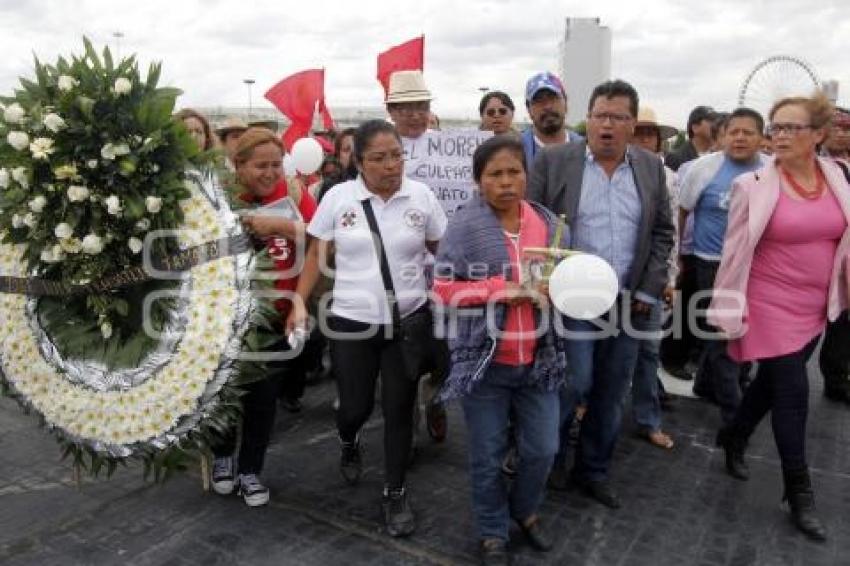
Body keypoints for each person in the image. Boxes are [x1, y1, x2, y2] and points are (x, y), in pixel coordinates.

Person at [288, 120, 447, 537]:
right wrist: (299, 302)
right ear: (358, 161)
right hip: (351, 325)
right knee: (354, 408)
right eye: (378, 158)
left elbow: (442, 251)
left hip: (406, 324)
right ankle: (348, 439)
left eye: (396, 155)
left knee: (398, 410)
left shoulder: (422, 196)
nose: (391, 165)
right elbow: (314, 256)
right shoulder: (339, 199)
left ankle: (395, 492)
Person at [527, 79, 675, 508]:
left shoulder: (650, 168)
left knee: (611, 392)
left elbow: (663, 232)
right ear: (587, 118)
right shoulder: (554, 163)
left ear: (632, 124)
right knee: (574, 383)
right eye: (600, 115)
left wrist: (648, 289)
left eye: (619, 117)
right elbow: (532, 226)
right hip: (570, 302)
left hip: (629, 302)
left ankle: (593, 470)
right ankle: (549, 459)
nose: (607, 125)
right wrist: (545, 284)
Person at [710, 93, 850, 541]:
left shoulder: (840, 178)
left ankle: (734, 434)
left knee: (771, 384)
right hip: (767, 302)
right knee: (793, 390)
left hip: (817, 305)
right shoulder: (751, 185)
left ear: (819, 135)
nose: (781, 134)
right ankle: (799, 491)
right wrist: (725, 310)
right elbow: (732, 254)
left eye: (793, 127)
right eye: (777, 126)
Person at [433, 135, 568, 564]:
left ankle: (525, 511)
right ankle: (493, 530)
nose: (507, 182)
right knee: (488, 456)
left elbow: (567, 280)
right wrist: (499, 290)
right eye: (495, 174)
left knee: (543, 448)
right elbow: (442, 290)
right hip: (486, 366)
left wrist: (559, 287)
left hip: (539, 362)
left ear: (526, 176)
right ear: (479, 181)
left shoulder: (548, 223)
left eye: (514, 172)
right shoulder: (464, 226)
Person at [209, 127, 316, 507]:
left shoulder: (293, 194)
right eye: (260, 166)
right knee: (222, 393)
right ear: (238, 165)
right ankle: (222, 457)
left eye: (276, 164)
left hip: (276, 319)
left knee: (263, 399)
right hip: (225, 322)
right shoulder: (218, 197)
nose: (270, 173)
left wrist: (300, 302)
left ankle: (250, 469)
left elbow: (320, 240)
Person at [678, 108, 765, 424]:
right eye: (733, 132)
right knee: (720, 334)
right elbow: (683, 211)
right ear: (723, 136)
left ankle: (704, 384)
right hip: (710, 264)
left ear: (761, 138)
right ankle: (734, 413)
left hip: (753, 266)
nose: (740, 138)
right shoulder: (703, 169)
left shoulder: (772, 171)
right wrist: (677, 257)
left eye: (748, 132)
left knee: (741, 329)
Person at [384, 69, 450, 443]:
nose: (414, 113)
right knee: (401, 361)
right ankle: (405, 423)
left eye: (420, 105)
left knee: (445, 351)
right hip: (400, 276)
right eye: (405, 107)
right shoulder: (376, 149)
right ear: (391, 110)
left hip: (445, 271)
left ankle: (436, 397)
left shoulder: (450, 149)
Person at [629, 105, 678, 449]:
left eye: (650, 132)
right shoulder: (611, 168)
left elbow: (670, 230)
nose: (644, 138)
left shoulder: (668, 177)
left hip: (652, 277)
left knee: (648, 350)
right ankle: (587, 406)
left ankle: (648, 419)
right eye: (639, 131)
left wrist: (668, 278)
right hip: (614, 276)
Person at [819, 107, 850, 403]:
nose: (841, 133)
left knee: (843, 320)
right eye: (836, 128)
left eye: (846, 128)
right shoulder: (816, 166)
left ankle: (836, 378)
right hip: (823, 253)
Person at [521, 71, 582, 168]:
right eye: (539, 101)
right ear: (529, 109)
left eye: (553, 98)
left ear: (565, 103)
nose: (547, 106)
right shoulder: (517, 151)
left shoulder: (586, 151)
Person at [665, 105, 717, 171]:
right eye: (711, 120)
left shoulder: (720, 155)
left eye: (716, 120)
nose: (716, 124)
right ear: (695, 127)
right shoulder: (677, 158)